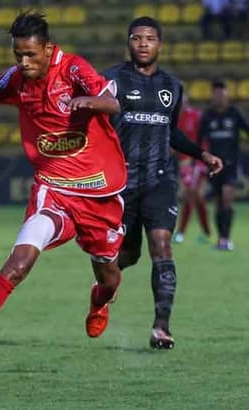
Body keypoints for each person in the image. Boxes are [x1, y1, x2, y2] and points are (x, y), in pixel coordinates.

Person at [0, 11, 128, 347]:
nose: (25, 62)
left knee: (109, 277)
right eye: (19, 55)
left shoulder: (73, 68)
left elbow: (112, 101)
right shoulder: (16, 79)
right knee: (18, 262)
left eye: (31, 54)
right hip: (53, 190)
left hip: (98, 191)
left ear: (48, 49)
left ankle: (99, 300)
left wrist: (91, 101)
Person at [102, 17, 223, 350]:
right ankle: (104, 287)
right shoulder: (111, 80)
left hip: (160, 179)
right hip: (120, 183)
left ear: (160, 44)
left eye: (150, 38)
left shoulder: (173, 86)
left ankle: (161, 326)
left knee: (162, 245)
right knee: (125, 256)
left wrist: (202, 154)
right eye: (137, 38)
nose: (143, 43)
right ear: (128, 42)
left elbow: (171, 131)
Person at [198, 80, 249, 250]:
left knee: (227, 197)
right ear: (213, 96)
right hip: (213, 166)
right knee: (219, 202)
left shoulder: (234, 113)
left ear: (226, 96)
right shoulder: (207, 116)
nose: (219, 98)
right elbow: (199, 140)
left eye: (222, 94)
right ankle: (221, 238)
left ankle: (227, 237)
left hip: (231, 164)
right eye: (217, 94)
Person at [174, 91, 211, 244]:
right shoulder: (173, 118)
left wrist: (201, 157)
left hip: (196, 161)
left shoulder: (196, 115)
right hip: (183, 162)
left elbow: (203, 138)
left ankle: (182, 232)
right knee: (196, 197)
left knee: (190, 194)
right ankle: (206, 232)